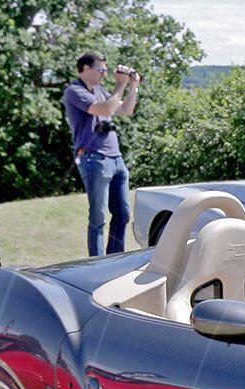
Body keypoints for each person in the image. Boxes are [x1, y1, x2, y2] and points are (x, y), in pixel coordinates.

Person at [63, 52, 138, 257]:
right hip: (94, 158)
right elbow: (104, 110)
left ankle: (115, 258)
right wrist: (120, 85)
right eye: (101, 70)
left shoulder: (99, 90)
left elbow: (126, 110)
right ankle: (96, 264)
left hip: (116, 158)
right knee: (98, 217)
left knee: (122, 214)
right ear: (86, 68)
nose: (105, 75)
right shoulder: (74, 90)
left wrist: (133, 86)